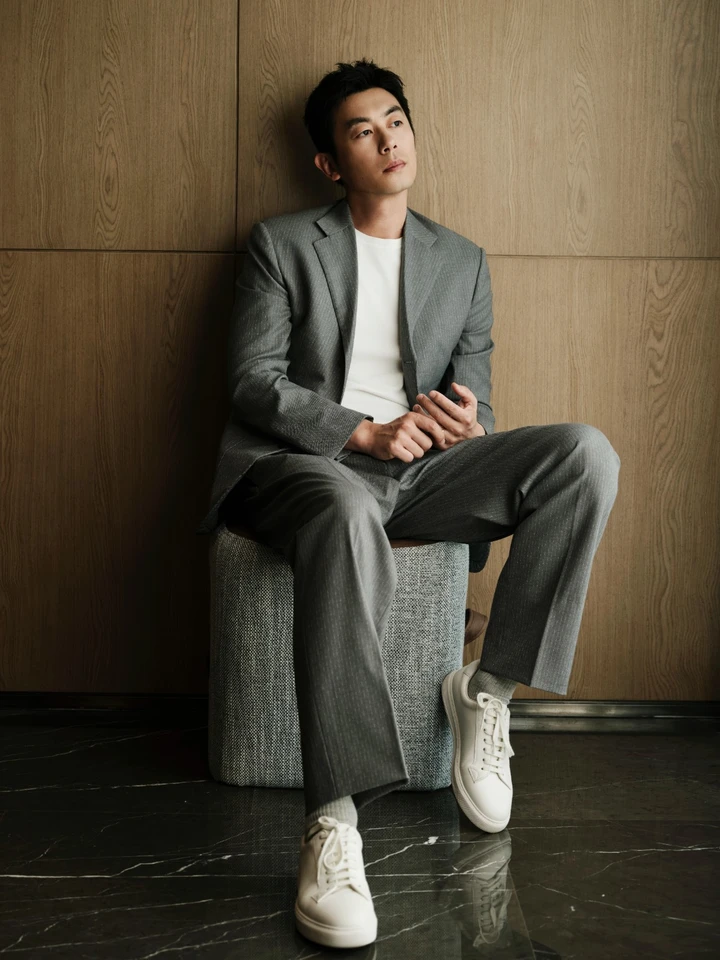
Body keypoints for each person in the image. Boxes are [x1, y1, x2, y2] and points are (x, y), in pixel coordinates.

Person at [196, 58, 621, 949]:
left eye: (396, 120)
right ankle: (334, 826)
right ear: (330, 162)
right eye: (363, 130)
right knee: (347, 510)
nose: (389, 140)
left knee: (583, 455)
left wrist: (468, 424)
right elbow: (252, 382)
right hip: (306, 467)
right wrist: (362, 431)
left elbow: (479, 405)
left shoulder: (461, 261)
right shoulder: (282, 244)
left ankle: (487, 690)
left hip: (422, 476)